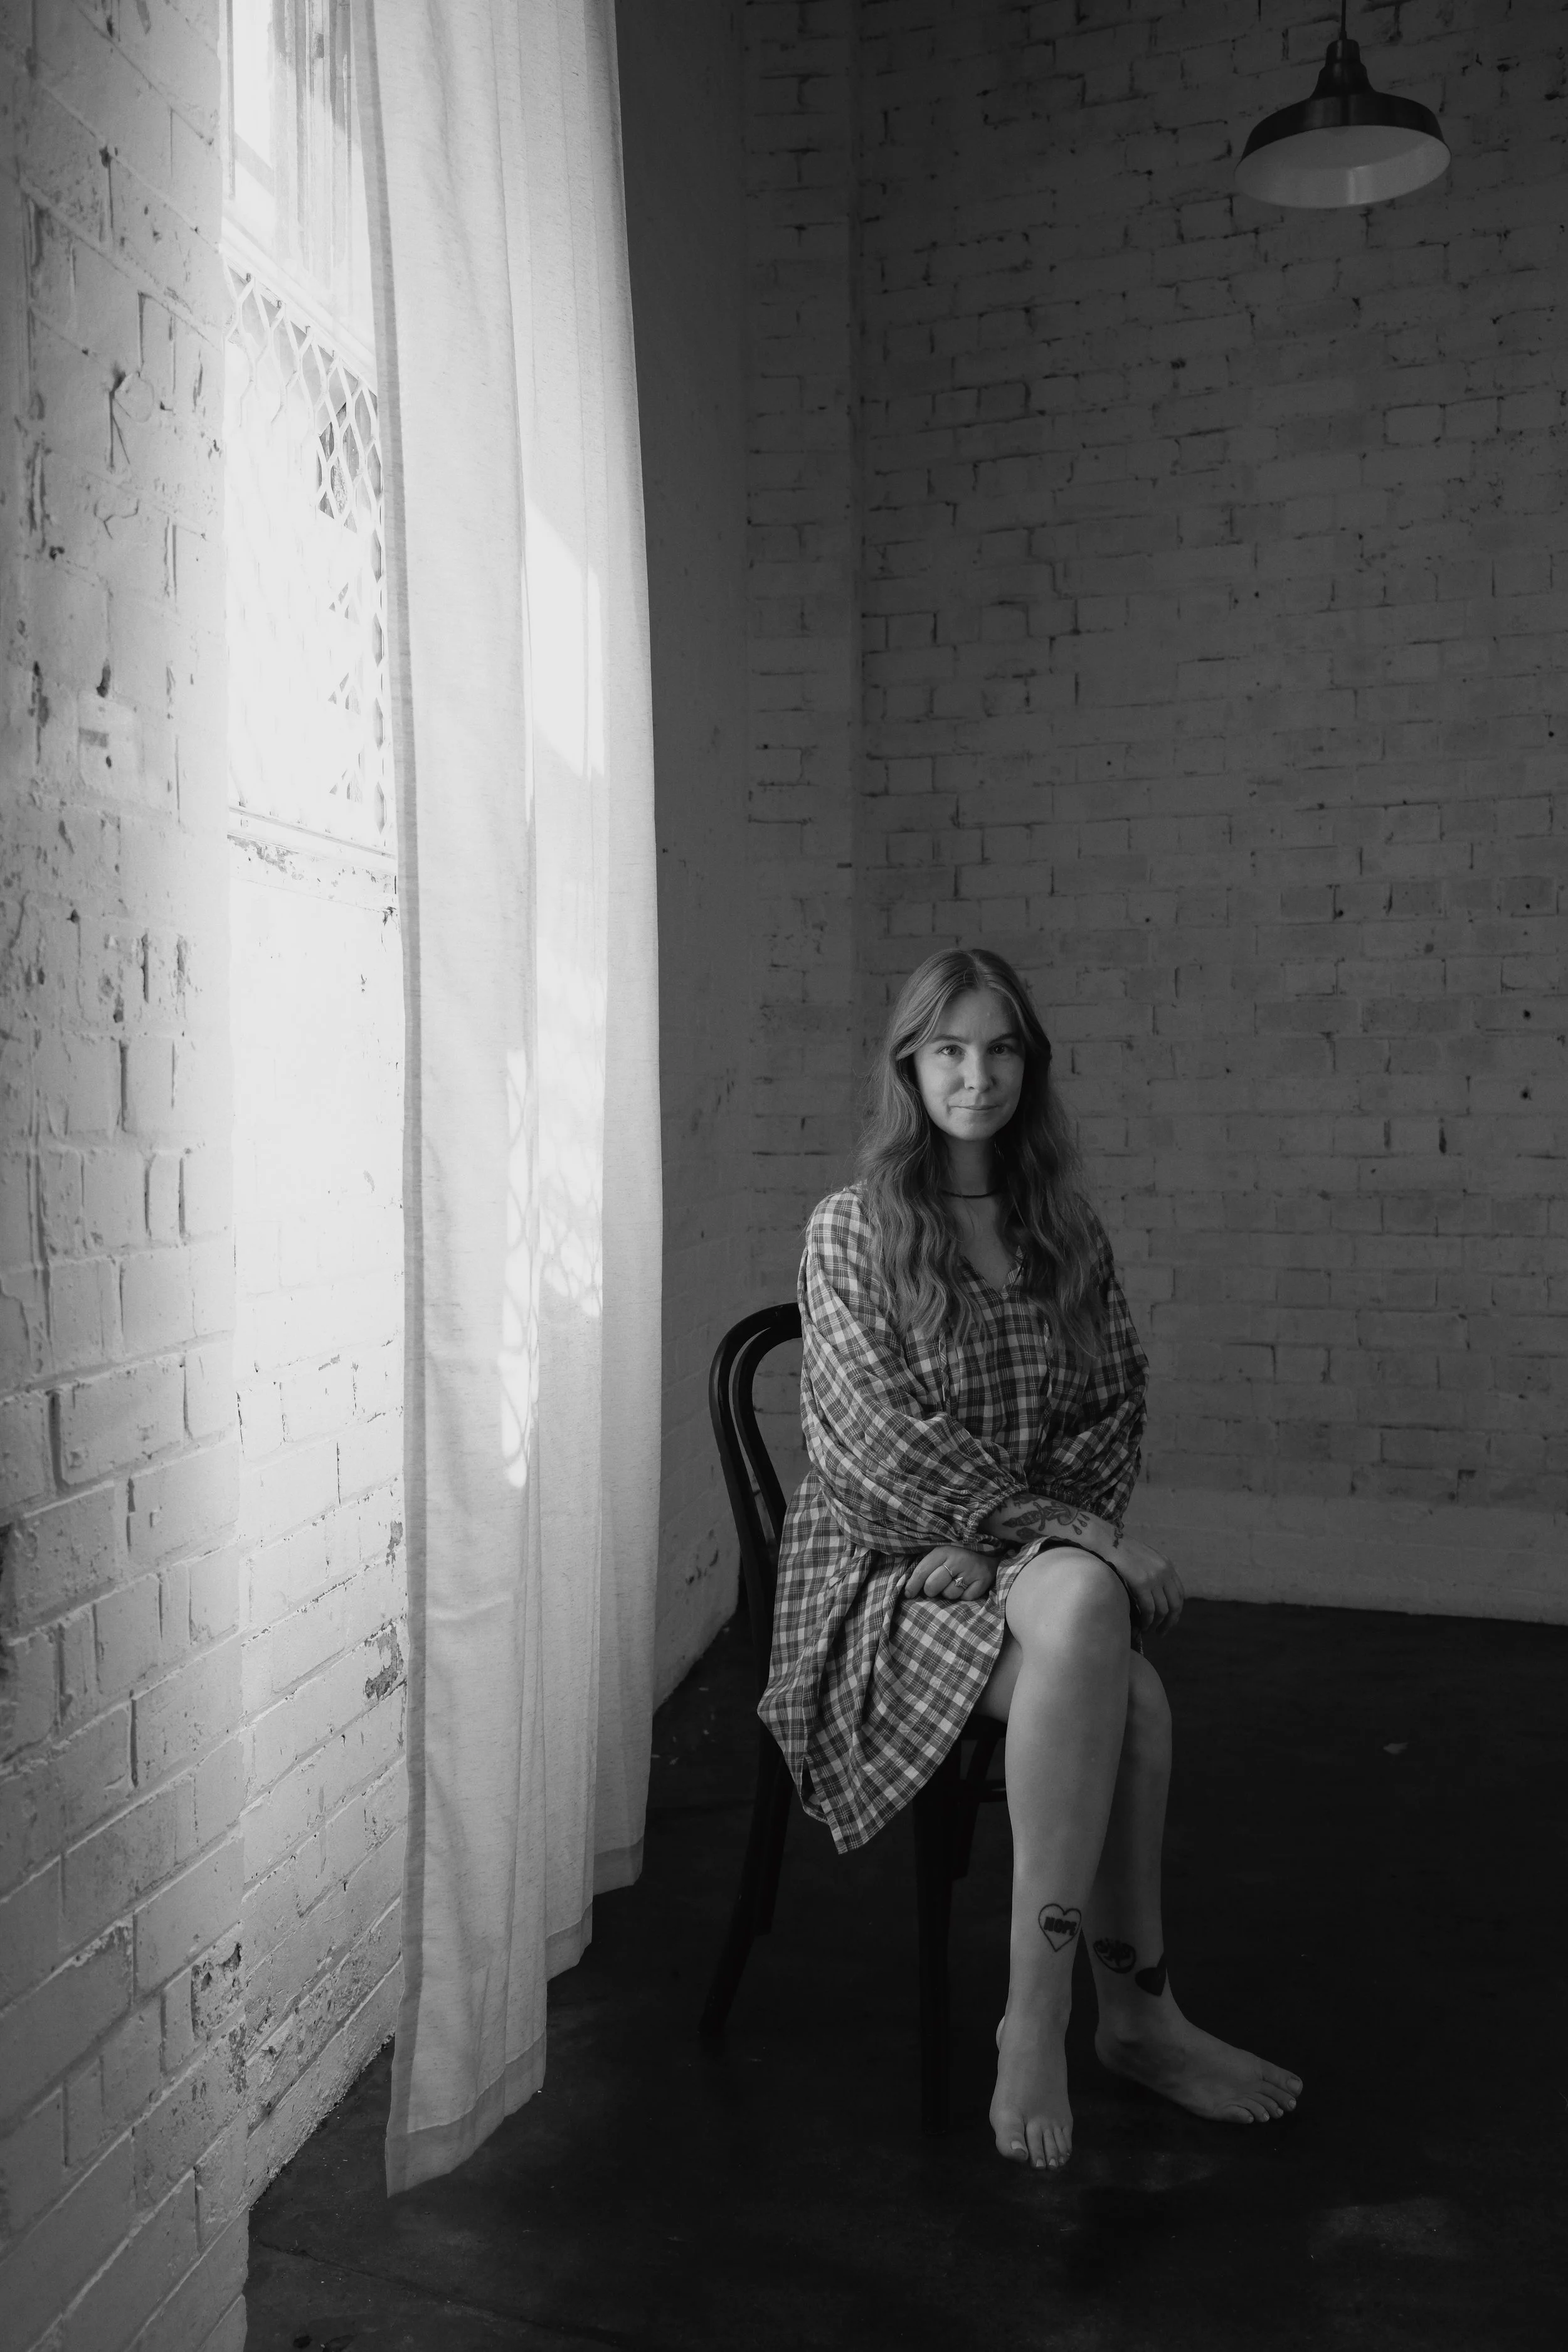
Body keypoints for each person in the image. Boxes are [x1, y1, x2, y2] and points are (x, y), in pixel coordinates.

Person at [759, 946, 1301, 2172]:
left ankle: (1124, 2019)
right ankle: (1067, 2020)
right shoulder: (849, 1229)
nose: (976, 1074)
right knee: (1130, 1683)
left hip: (1002, 1558)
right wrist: (1043, 1534)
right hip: (885, 1570)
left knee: (1113, 1661)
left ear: (1028, 1066)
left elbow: (1109, 1411)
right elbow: (871, 1436)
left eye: (1000, 1048)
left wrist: (1021, 1539)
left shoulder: (1062, 1230)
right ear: (908, 1065)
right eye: (948, 1049)